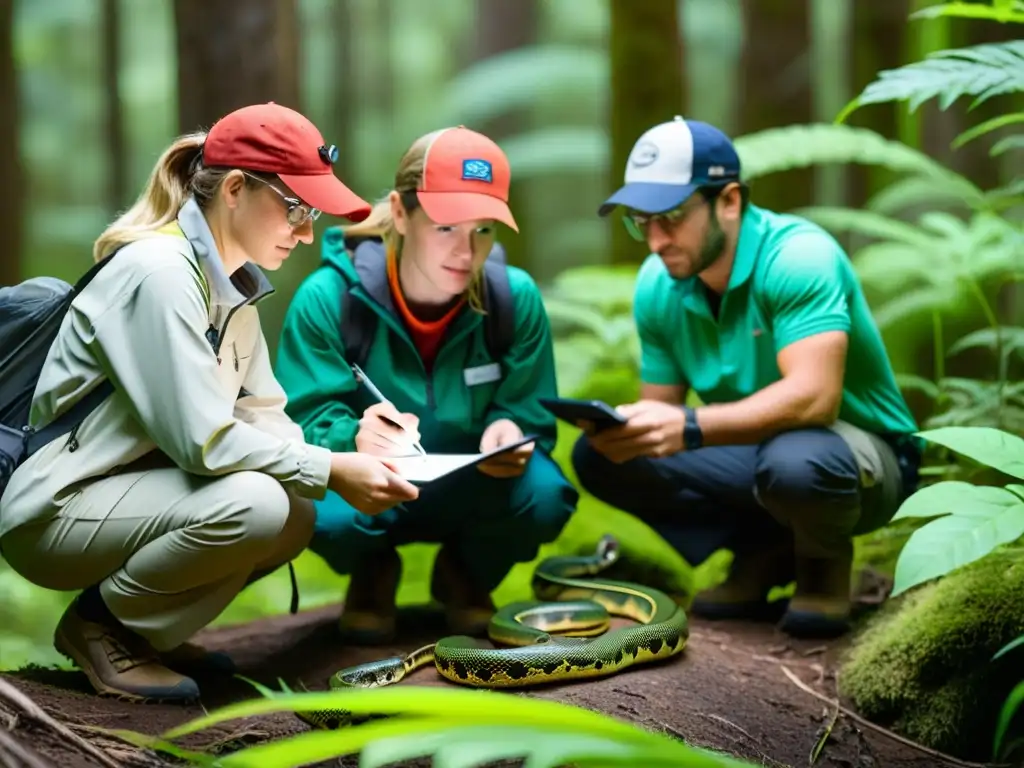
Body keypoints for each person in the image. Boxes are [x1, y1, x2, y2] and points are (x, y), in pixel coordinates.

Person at [0, 103, 420, 702]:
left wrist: (357, 451)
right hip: (54, 510)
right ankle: (103, 627)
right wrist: (331, 471)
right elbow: (205, 441)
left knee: (295, 506)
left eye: (313, 214)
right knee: (255, 501)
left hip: (126, 493)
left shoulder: (232, 286)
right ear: (235, 189)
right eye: (296, 209)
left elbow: (264, 416)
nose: (306, 233)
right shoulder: (160, 273)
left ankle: (149, 635)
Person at [571, 116, 922, 639]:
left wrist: (689, 426)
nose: (654, 240)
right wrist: (634, 429)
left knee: (798, 460)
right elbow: (661, 415)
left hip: (862, 456)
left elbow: (814, 400)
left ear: (729, 201)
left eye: (669, 216)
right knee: (605, 455)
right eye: (639, 220)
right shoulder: (659, 284)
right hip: (757, 448)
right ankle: (763, 553)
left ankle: (823, 569)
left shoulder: (799, 257)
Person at [274, 126, 578, 643]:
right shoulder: (330, 299)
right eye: (445, 228)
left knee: (546, 496)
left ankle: (466, 573)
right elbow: (296, 424)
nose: (466, 251)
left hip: (472, 483)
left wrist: (511, 425)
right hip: (370, 484)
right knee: (316, 515)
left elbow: (530, 412)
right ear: (400, 212)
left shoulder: (513, 299)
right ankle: (373, 570)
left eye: (483, 230)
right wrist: (354, 439)